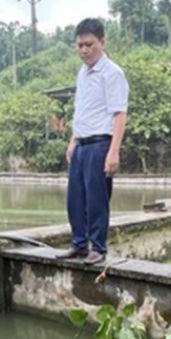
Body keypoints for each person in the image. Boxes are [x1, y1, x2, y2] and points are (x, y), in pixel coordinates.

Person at [57, 17, 129, 266]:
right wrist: (73, 140)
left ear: (102, 42)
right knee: (75, 198)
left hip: (101, 144)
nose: (84, 50)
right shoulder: (83, 73)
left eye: (89, 44)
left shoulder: (112, 74)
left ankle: (98, 247)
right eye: (79, 46)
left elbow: (120, 114)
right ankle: (79, 244)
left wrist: (113, 151)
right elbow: (82, 109)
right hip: (82, 143)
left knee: (97, 199)